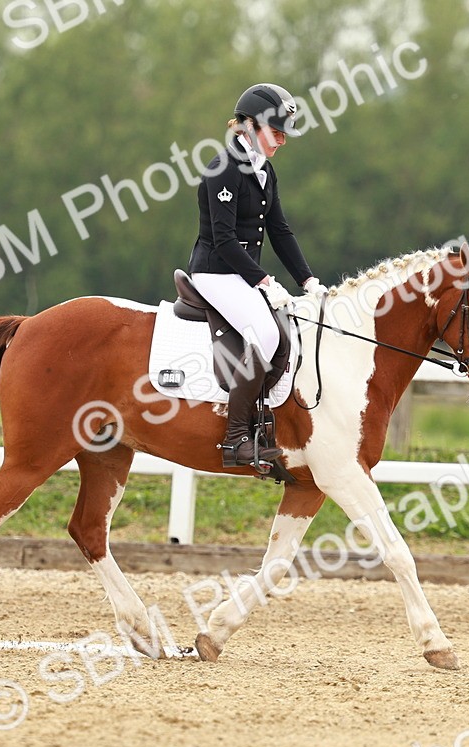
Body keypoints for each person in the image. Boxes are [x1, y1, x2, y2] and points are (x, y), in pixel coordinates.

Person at [187, 83, 327, 468]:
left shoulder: (265, 170)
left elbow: (279, 231)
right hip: (215, 271)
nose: (281, 140)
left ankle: (262, 422)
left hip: (241, 273)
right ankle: (235, 438)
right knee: (266, 333)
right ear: (248, 126)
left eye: (284, 133)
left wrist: (308, 280)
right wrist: (265, 281)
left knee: (286, 329)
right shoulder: (223, 168)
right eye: (276, 131)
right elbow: (224, 239)